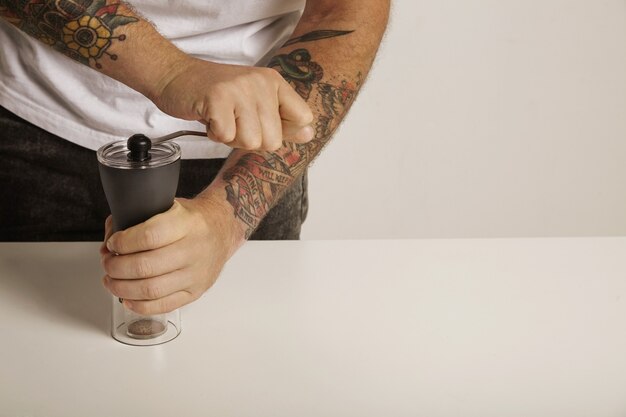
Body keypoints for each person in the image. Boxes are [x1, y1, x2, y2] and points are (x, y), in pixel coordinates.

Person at [0, 0, 390, 314]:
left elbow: (346, 10)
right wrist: (170, 73)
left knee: (246, 372)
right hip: (40, 120)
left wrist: (225, 219)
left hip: (248, 149)